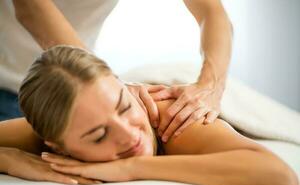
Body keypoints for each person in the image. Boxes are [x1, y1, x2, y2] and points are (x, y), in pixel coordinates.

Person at [0, 46, 298, 185]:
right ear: (58, 147)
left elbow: (281, 182)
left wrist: (129, 168)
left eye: (125, 106)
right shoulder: (54, 126)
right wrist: (8, 158)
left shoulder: (174, 121)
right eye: (99, 135)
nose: (129, 134)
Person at [0, 0, 233, 141]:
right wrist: (106, 84)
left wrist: (210, 86)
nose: (131, 135)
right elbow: (31, 8)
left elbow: (211, 11)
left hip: (77, 96)